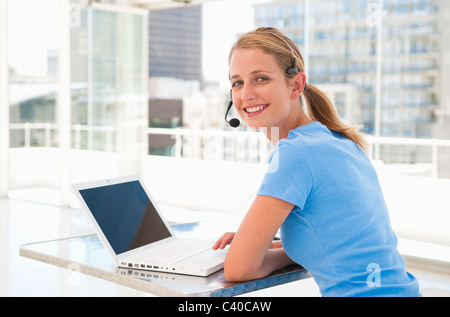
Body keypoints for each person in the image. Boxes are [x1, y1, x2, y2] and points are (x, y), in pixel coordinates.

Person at [212, 27, 421, 297]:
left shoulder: (294, 153)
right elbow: (342, 240)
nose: (246, 94)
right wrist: (266, 245)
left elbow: (239, 270)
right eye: (237, 83)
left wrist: (255, 250)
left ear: (296, 85)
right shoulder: (342, 142)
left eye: (260, 78)